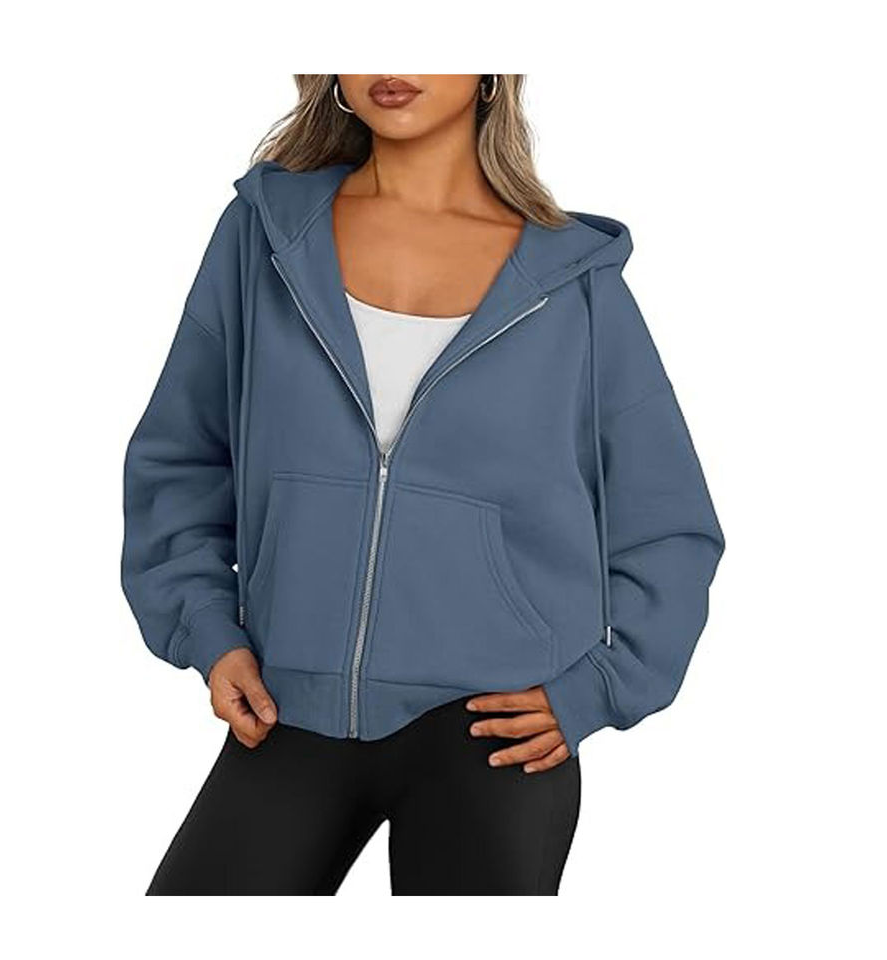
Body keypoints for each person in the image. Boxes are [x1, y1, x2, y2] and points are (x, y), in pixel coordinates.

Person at [121, 74, 725, 895]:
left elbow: (669, 525)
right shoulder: (267, 236)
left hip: (493, 734)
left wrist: (598, 688)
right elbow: (181, 458)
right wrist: (206, 627)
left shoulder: (572, 283)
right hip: (287, 706)